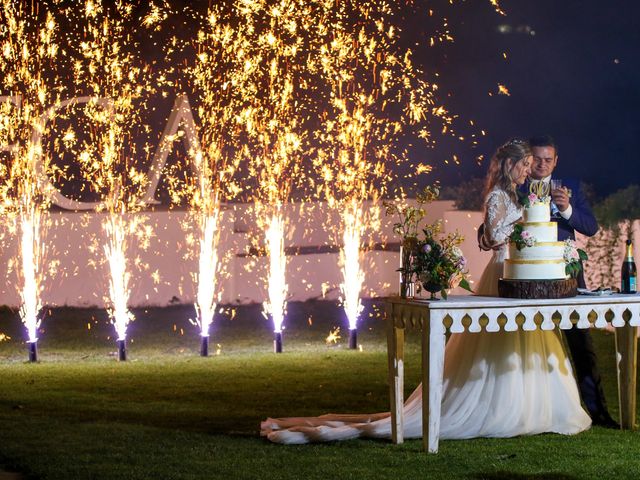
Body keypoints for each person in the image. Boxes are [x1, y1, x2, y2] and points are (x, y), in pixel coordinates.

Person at [260, 139, 591, 444]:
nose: (528, 170)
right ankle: (496, 407)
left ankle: (531, 407)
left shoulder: (519, 196)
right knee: (497, 345)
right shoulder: (497, 196)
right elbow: (491, 235)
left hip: (521, 274)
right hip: (501, 273)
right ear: (512, 165)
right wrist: (519, 228)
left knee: (528, 343)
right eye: (524, 164)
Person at [524, 134, 618, 428]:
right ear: (529, 159)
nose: (541, 164)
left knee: (581, 341)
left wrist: (566, 210)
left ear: (556, 161)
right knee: (523, 342)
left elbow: (590, 227)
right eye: (537, 158)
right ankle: (529, 412)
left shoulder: (571, 187)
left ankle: (598, 411)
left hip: (566, 274)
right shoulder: (516, 184)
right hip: (528, 273)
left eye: (547, 159)